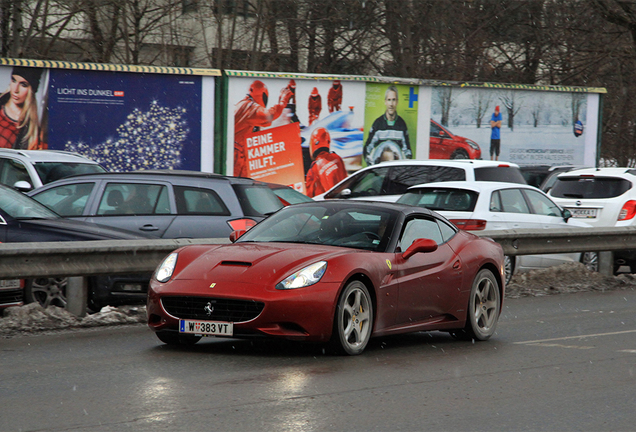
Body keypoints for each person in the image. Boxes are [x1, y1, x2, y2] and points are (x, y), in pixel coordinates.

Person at [233, 80, 293, 177]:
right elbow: (268, 116)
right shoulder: (250, 107)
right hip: (236, 153)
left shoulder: (241, 105)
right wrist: (282, 102)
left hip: (236, 152)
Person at [363, 85, 412, 166]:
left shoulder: (402, 124)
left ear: (397, 102)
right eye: (389, 100)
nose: (391, 104)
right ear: (385, 101)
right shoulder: (378, 124)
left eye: (393, 100)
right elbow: (368, 148)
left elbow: (407, 151)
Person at [0, 66, 44, 150]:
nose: (16, 90)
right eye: (14, 80)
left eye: (23, 85)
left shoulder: (29, 129)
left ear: (31, 90)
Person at [305, 127, 347, 198]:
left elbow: (309, 194)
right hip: (343, 199)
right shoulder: (337, 157)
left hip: (325, 205)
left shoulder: (313, 169)